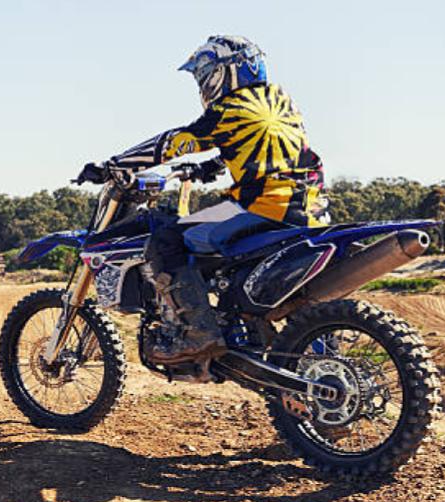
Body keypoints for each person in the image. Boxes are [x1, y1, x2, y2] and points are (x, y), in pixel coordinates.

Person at [77, 35, 325, 363]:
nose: (202, 82)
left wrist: (114, 164)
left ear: (224, 72)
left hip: (261, 207)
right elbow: (261, 142)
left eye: (204, 73)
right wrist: (213, 165)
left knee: (168, 237)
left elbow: (173, 142)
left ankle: (198, 334)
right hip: (312, 208)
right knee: (205, 237)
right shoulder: (278, 99)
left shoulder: (228, 109)